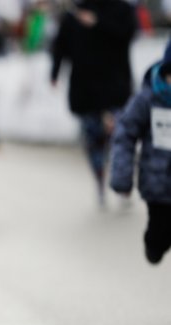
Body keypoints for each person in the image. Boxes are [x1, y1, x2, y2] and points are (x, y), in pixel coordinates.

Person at [50, 0, 137, 207]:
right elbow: (60, 46)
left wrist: (98, 23)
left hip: (115, 89)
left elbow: (128, 34)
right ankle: (100, 181)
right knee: (93, 142)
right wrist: (54, 72)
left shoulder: (121, 9)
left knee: (120, 139)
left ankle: (121, 184)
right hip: (85, 92)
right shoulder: (75, 12)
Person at [110, 44, 171, 265]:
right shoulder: (147, 99)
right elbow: (125, 134)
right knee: (159, 239)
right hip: (158, 186)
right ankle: (154, 245)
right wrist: (122, 176)